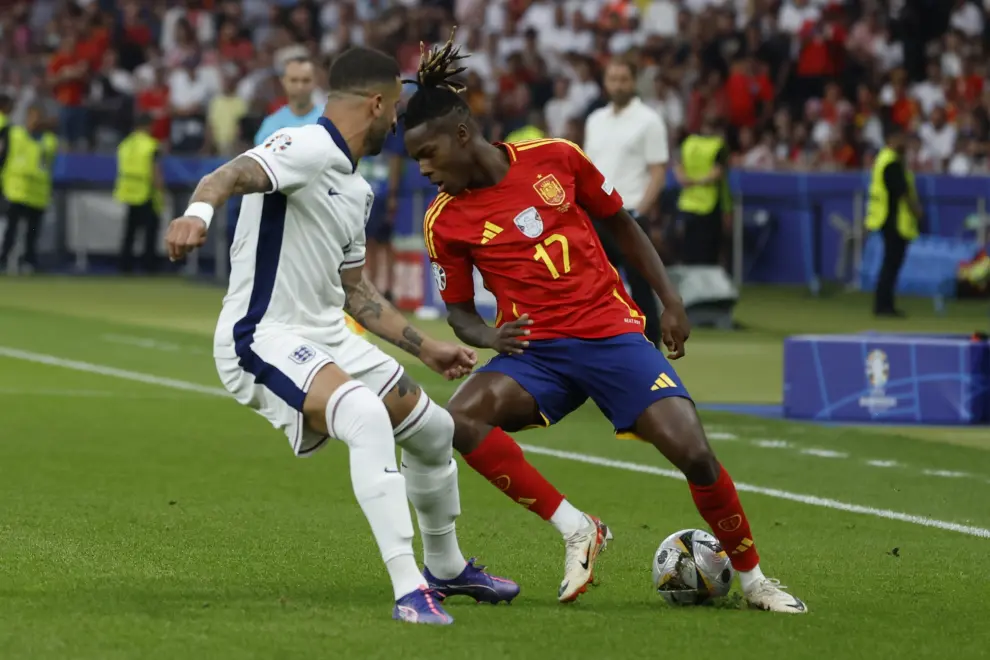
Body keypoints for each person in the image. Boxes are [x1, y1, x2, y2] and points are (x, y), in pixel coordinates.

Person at [401, 33, 806, 614]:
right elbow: (460, 313)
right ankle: (576, 528)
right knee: (456, 420)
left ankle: (755, 581)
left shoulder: (555, 158)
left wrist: (670, 299)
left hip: (613, 335)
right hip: (536, 355)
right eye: (417, 159)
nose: (424, 170)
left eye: (429, 153)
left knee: (694, 453)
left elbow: (622, 224)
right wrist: (491, 337)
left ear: (462, 134)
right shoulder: (445, 222)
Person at [163, 46, 518, 626]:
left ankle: (447, 568)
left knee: (433, 432)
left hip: (329, 333)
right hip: (262, 335)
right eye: (397, 109)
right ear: (376, 103)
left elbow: (357, 293)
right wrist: (196, 217)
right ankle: (409, 588)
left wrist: (424, 347)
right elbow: (225, 174)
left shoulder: (357, 188)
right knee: (365, 417)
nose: (399, 122)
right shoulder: (305, 146)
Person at [584, 57, 668, 349]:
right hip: (597, 216)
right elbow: (588, 169)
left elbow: (658, 171)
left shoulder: (649, 121)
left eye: (623, 79)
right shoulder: (595, 120)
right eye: (613, 79)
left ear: (633, 82)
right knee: (596, 290)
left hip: (630, 214)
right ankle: (602, 349)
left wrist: (640, 211)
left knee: (642, 290)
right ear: (605, 82)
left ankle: (652, 353)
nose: (618, 85)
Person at [866, 126, 922, 317]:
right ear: (891, 139)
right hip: (893, 220)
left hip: (887, 219)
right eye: (901, 138)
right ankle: (883, 306)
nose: (904, 142)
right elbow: (901, 190)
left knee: (890, 264)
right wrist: (916, 210)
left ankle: (884, 304)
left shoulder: (885, 159)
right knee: (891, 264)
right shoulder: (891, 161)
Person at [0, 105, 58, 274]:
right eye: (33, 117)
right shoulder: (14, 134)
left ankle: (29, 261)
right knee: (12, 228)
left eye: (39, 117)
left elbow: (48, 165)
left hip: (37, 191)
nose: (35, 121)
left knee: (33, 231)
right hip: (16, 188)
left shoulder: (49, 140)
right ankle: (4, 259)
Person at [675, 114, 731, 266]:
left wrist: (686, 180)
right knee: (707, 253)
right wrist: (698, 181)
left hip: (687, 203)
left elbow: (678, 168)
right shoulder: (718, 145)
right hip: (709, 205)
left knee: (688, 251)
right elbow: (718, 173)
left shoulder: (688, 143)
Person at [114, 114, 165, 274]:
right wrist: (161, 189)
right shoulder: (150, 145)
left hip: (128, 191)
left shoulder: (125, 144)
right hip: (146, 192)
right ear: (148, 126)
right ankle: (149, 266)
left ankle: (125, 265)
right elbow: (154, 170)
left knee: (130, 231)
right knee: (150, 231)